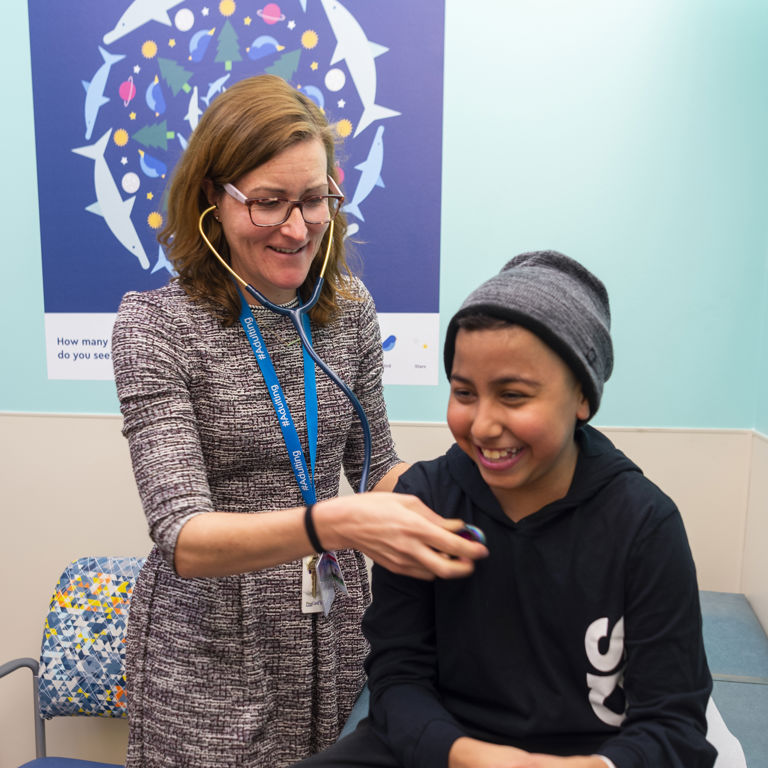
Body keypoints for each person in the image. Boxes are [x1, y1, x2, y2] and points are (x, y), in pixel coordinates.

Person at [110, 74, 487, 768]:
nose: (297, 226)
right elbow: (183, 537)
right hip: (212, 654)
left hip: (332, 632)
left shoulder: (349, 310)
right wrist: (332, 524)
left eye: (314, 199)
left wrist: (471, 495)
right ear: (211, 203)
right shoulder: (156, 326)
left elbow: (376, 468)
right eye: (268, 202)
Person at [292, 251, 717, 768]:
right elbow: (398, 681)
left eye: (513, 395)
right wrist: (466, 756)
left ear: (582, 396)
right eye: (464, 392)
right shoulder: (425, 503)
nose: (484, 425)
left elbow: (674, 725)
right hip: (438, 749)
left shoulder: (644, 526)